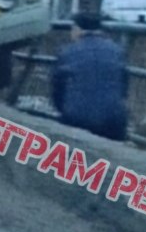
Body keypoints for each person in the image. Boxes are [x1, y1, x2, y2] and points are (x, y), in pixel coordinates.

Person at [52, 11, 129, 141]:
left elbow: (57, 89)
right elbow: (123, 86)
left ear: (77, 29)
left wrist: (63, 109)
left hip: (76, 118)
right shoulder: (117, 51)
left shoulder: (67, 52)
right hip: (113, 121)